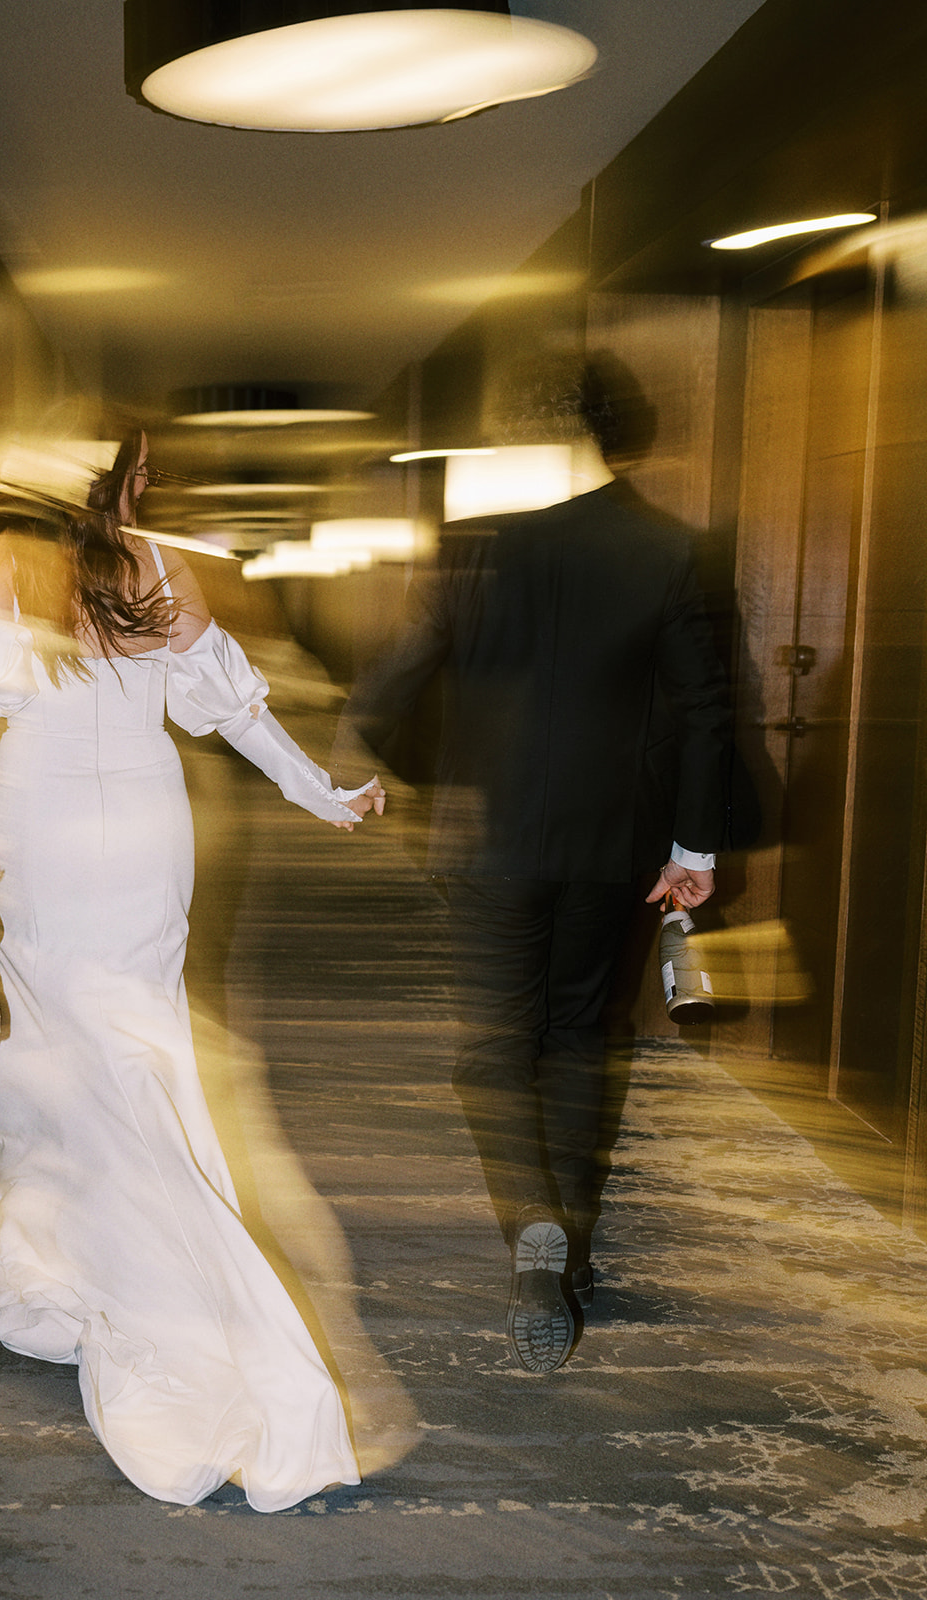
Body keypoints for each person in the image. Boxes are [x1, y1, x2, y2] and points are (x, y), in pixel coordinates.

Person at [0, 425, 384, 1512]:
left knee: (56, 1060)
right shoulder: (156, 562)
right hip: (144, 838)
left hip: (49, 839)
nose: (151, 486)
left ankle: (146, 1290)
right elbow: (235, 711)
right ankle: (95, 1272)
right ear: (120, 482)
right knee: (137, 1053)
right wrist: (324, 792)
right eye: (143, 471)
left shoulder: (5, 555)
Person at [333, 362, 742, 1377]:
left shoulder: (478, 548)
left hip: (491, 837)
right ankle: (573, 1248)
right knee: (575, 1035)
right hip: (614, 840)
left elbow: (396, 674)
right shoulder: (669, 548)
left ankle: (531, 1224)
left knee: (494, 1044)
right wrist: (693, 848)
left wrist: (395, 773)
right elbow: (704, 712)